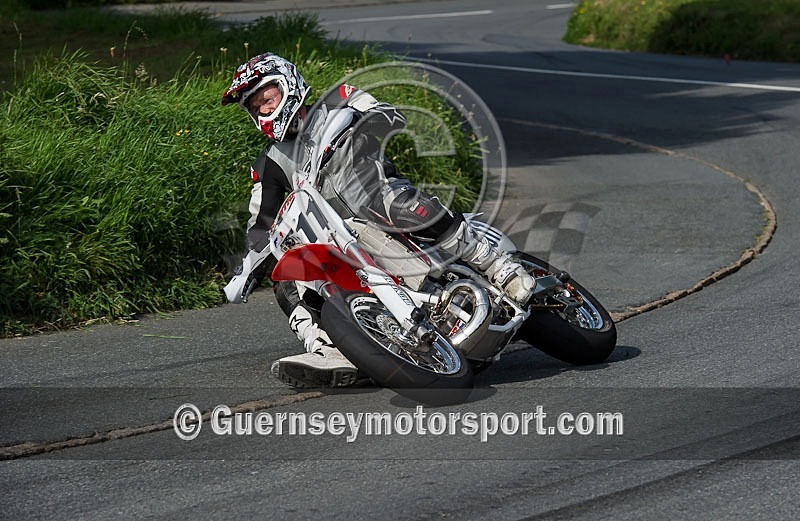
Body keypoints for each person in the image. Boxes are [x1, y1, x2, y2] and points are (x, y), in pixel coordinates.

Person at [222, 52, 536, 389]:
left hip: (379, 198)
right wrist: (249, 263)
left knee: (391, 201)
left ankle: (495, 264)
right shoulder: (270, 161)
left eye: (267, 98)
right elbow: (263, 219)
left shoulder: (339, 101)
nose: (264, 110)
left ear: (288, 84)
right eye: (256, 107)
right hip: (336, 235)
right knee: (289, 278)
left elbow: (388, 115)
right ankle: (329, 348)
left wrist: (363, 125)